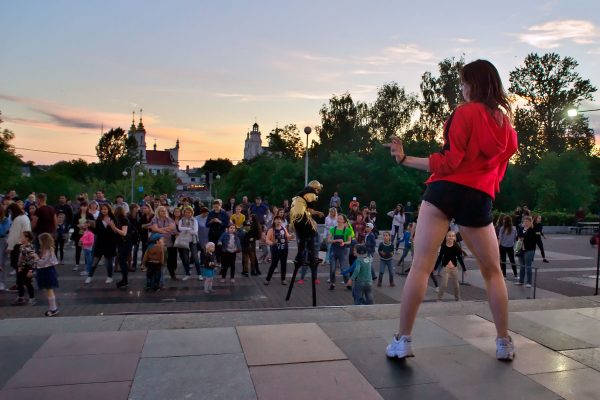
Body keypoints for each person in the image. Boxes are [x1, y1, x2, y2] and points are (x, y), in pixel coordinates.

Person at [384, 59, 518, 361]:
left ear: (475, 83)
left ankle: (403, 340)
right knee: (492, 271)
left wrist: (405, 159)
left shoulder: (464, 113)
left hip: (444, 191)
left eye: (463, 82)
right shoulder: (506, 128)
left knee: (420, 265)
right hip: (478, 196)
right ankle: (503, 343)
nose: (460, 87)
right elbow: (498, 171)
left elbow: (449, 161)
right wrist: (484, 192)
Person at [85, 204, 118, 284]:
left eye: (105, 209)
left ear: (109, 210)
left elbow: (116, 232)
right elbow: (96, 231)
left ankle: (109, 277)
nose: (103, 211)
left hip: (109, 243)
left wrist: (110, 225)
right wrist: (89, 227)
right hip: (99, 243)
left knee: (108, 262)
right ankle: (89, 276)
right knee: (95, 262)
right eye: (102, 209)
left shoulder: (113, 219)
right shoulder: (99, 219)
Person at [436, 231, 466, 301]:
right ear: (446, 237)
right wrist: (435, 267)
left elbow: (459, 258)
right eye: (449, 236)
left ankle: (457, 298)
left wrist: (464, 269)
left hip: (454, 268)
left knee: (456, 285)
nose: (451, 237)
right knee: (444, 285)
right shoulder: (443, 246)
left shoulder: (456, 247)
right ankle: (439, 298)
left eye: (453, 236)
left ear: (455, 238)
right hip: (446, 268)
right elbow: (440, 257)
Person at [35, 233, 60, 316]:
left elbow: (43, 262)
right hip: (47, 270)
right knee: (49, 290)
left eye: (40, 241)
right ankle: (53, 308)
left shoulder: (48, 250)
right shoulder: (49, 249)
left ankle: (54, 309)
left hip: (47, 271)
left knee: (49, 290)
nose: (39, 242)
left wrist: (36, 258)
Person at [264, 215, 293, 285]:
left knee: (284, 265)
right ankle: (267, 279)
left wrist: (292, 236)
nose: (278, 221)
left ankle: (283, 279)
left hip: (284, 250)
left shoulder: (283, 228)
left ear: (282, 221)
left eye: (280, 220)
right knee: (274, 265)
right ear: (274, 221)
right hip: (275, 250)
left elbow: (287, 237)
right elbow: (267, 240)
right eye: (277, 220)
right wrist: (272, 243)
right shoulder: (271, 230)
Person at [12, 231, 37, 306]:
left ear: (27, 238)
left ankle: (32, 298)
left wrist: (30, 270)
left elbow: (33, 260)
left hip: (28, 267)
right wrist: (19, 266)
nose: (21, 238)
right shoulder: (21, 246)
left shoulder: (30, 247)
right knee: (19, 282)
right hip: (22, 267)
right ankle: (21, 297)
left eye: (22, 237)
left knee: (27, 283)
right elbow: (21, 258)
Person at [327, 214, 352, 290]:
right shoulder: (333, 229)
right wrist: (336, 240)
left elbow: (349, 241)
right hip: (333, 250)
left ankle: (347, 283)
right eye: (338, 219)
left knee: (343, 269)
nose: (339, 220)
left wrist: (344, 243)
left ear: (344, 221)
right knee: (332, 269)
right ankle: (332, 283)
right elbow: (328, 240)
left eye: (340, 219)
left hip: (342, 251)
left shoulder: (348, 230)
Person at [71, 201, 95, 274]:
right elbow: (73, 223)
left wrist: (87, 226)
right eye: (82, 206)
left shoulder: (90, 215)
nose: (83, 207)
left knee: (87, 250)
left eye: (85, 206)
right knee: (78, 249)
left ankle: (86, 264)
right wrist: (77, 226)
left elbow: (93, 224)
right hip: (78, 234)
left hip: (87, 235)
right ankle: (77, 264)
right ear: (80, 207)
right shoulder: (76, 215)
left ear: (87, 207)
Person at [206, 200, 229, 265]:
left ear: (220, 205)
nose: (216, 207)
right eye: (215, 205)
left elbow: (227, 224)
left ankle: (220, 262)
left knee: (220, 249)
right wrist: (211, 221)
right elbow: (206, 225)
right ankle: (212, 262)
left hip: (221, 234)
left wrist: (219, 221)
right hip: (212, 233)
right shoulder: (211, 213)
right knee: (211, 249)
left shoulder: (224, 213)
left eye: (217, 205)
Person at [113, 206, 131, 288]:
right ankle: (124, 280)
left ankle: (125, 280)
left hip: (125, 243)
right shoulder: (119, 220)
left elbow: (124, 233)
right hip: (121, 243)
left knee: (122, 262)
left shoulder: (124, 219)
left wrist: (114, 227)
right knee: (122, 262)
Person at [515, 216, 536, 288]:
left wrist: (523, 238)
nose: (526, 223)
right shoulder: (521, 229)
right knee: (522, 266)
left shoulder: (532, 230)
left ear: (530, 222)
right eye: (525, 221)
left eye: (527, 221)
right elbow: (517, 237)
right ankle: (521, 281)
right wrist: (520, 237)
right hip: (521, 250)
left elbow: (532, 241)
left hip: (529, 250)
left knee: (528, 266)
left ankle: (529, 282)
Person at [498, 215, 518, 279]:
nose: (503, 221)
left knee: (503, 261)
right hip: (510, 246)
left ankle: (504, 275)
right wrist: (512, 243)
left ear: (505, 221)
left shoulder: (502, 228)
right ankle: (515, 274)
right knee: (512, 260)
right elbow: (515, 238)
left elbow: (500, 238)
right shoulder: (514, 228)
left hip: (502, 246)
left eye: (504, 220)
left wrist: (498, 246)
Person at [0, 206, 11, 291]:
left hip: (2, 240)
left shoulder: (5, 220)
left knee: (1, 262)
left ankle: (2, 282)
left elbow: (3, 231)